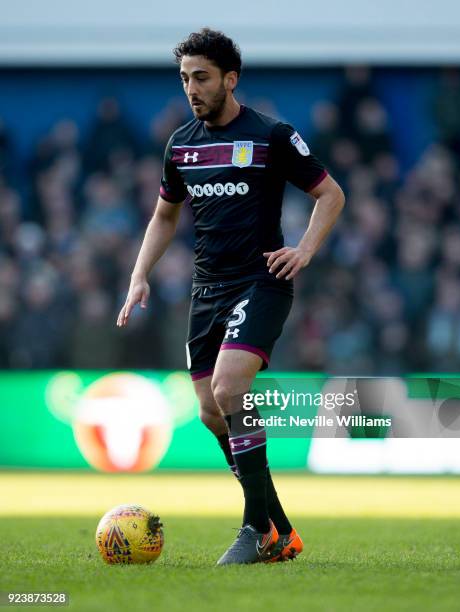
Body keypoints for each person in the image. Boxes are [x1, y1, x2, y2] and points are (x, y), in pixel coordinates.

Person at [117, 28, 345, 565]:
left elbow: (330, 193)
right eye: (184, 79)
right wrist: (139, 275)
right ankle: (279, 529)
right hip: (207, 289)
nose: (191, 89)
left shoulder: (272, 135)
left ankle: (252, 528)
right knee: (210, 413)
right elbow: (165, 215)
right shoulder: (181, 144)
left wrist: (305, 250)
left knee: (228, 387)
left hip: (261, 281)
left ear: (230, 79)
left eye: (201, 77)